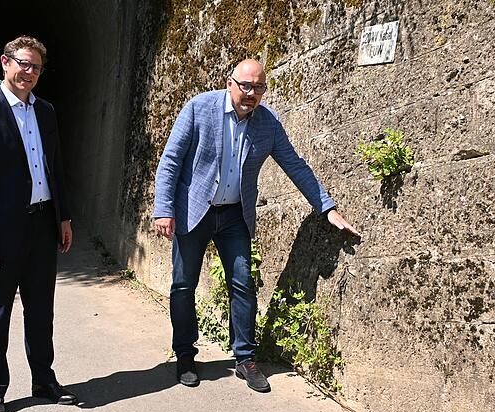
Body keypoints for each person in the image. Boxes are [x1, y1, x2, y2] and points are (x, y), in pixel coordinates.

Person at [153, 59, 360, 393]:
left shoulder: (267, 123)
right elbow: (171, 161)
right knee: (183, 285)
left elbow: (295, 164)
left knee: (243, 282)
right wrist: (163, 209)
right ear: (230, 83)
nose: (251, 94)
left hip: (235, 215)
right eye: (245, 86)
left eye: (259, 87)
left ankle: (245, 359)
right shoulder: (198, 108)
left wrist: (326, 207)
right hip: (194, 210)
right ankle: (186, 356)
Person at [0, 35, 77, 412]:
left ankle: (44, 380)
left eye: (36, 67)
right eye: (22, 64)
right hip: (2, 235)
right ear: (5, 63)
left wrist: (64, 217)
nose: (28, 72)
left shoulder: (46, 111)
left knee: (41, 311)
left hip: (43, 224)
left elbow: (55, 166)